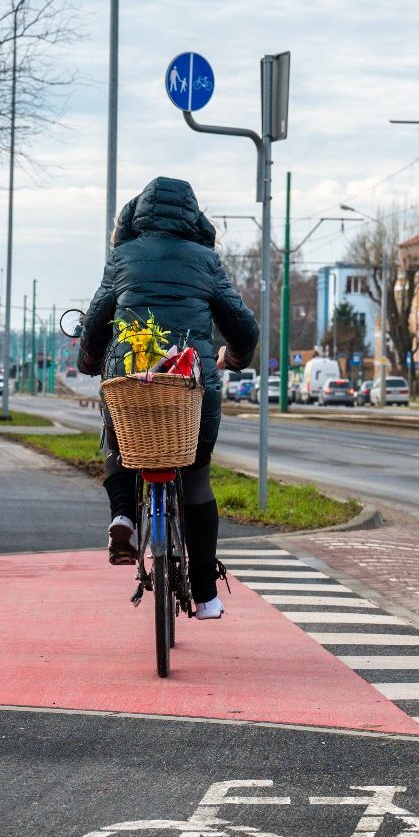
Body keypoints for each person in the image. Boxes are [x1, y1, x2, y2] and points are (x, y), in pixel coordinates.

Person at [77, 177, 259, 621]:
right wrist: (231, 358)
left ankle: (123, 517)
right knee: (196, 478)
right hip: (191, 386)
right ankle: (205, 595)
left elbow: (96, 322)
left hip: (131, 378)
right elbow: (244, 326)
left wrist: (89, 361)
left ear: (138, 216)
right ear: (193, 219)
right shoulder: (205, 261)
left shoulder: (121, 258)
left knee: (120, 444)